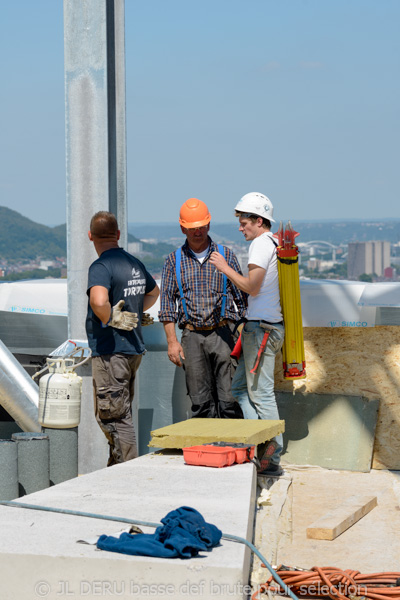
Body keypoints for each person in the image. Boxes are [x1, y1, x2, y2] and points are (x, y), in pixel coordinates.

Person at [209, 192, 285, 476]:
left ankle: (271, 454)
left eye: (244, 222)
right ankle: (259, 446)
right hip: (265, 327)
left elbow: (252, 287)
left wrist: (225, 268)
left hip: (261, 329)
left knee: (262, 394)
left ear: (258, 221)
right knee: (240, 389)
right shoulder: (274, 242)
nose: (241, 227)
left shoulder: (260, 245)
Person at [158, 198, 247, 419]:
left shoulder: (226, 256)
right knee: (200, 402)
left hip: (223, 333)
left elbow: (243, 298)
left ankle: (231, 449)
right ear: (182, 228)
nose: (197, 232)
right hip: (192, 336)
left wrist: (243, 332)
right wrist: (172, 342)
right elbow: (167, 304)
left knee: (229, 399)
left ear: (209, 224)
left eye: (201, 227)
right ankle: (206, 451)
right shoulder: (173, 261)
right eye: (192, 229)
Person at [86, 211, 160, 466]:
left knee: (115, 418)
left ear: (90, 236)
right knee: (119, 412)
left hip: (111, 351)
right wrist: (136, 310)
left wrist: (111, 318)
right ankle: (116, 469)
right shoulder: (134, 263)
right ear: (117, 235)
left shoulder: (101, 266)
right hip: (132, 350)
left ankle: (128, 472)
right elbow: (154, 292)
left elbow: (98, 301)